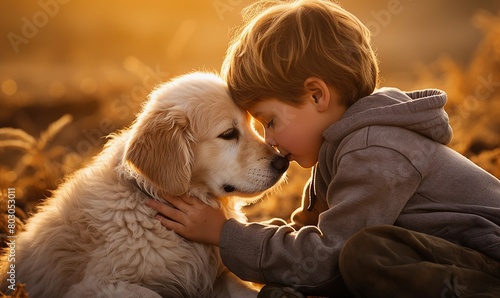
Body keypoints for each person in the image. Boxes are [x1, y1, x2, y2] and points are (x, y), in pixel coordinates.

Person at [145, 0, 500, 296]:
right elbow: (307, 243)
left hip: (488, 260)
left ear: (317, 95)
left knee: (364, 253)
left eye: (269, 121)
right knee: (356, 256)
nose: (268, 140)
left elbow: (326, 258)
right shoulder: (339, 150)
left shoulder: (374, 148)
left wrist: (224, 235)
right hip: (449, 260)